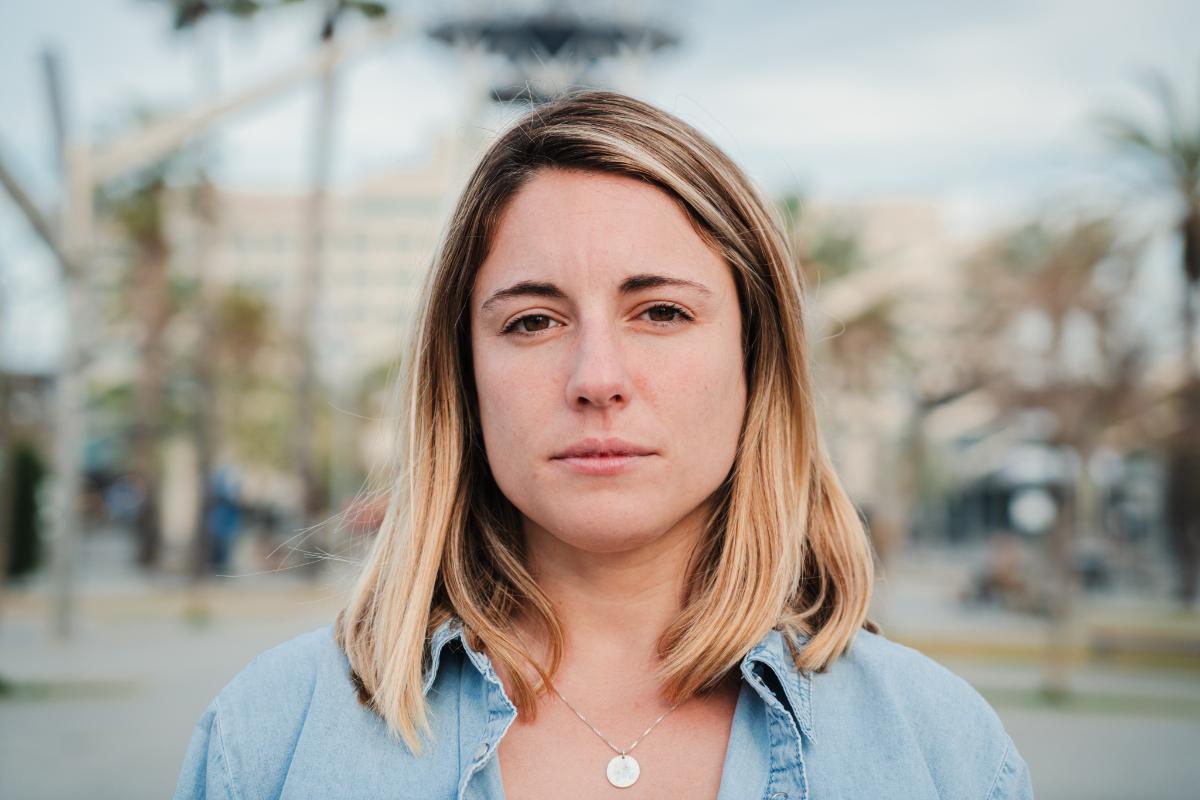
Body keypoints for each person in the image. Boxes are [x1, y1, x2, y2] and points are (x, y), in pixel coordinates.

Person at [173, 89, 1034, 799]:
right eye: (533, 320)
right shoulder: (269, 742)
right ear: (463, 377)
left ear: (755, 360)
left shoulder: (943, 754)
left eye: (661, 312)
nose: (597, 376)